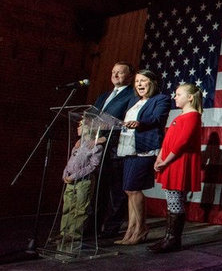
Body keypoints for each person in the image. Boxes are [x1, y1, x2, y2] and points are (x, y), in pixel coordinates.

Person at [115, 70, 171, 245]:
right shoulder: (133, 101)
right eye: (137, 81)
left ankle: (141, 228)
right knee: (128, 190)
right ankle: (131, 230)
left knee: (134, 188)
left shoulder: (161, 99)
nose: (139, 84)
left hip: (144, 148)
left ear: (152, 82)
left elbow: (157, 118)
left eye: (143, 81)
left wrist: (140, 124)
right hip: (127, 147)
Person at [151, 83, 203, 253]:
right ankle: (168, 237)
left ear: (190, 97)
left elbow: (182, 142)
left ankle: (173, 239)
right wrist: (160, 157)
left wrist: (166, 161)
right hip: (170, 161)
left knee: (175, 201)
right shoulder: (181, 116)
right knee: (172, 200)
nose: (175, 97)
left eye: (178, 94)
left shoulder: (193, 116)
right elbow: (168, 140)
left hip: (178, 162)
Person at [93, 62, 135, 238]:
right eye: (113, 72)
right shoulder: (104, 96)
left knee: (116, 192)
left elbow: (127, 123)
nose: (115, 75)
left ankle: (111, 228)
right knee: (98, 190)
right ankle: (92, 227)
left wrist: (107, 138)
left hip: (116, 150)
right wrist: (83, 137)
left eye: (120, 72)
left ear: (129, 76)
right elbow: (92, 118)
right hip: (96, 148)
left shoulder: (132, 95)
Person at [56, 117, 105, 250]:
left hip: (84, 181)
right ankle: (64, 232)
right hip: (71, 180)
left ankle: (74, 234)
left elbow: (93, 166)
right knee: (68, 206)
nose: (78, 128)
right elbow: (70, 161)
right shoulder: (78, 144)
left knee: (80, 208)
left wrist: (75, 176)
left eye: (81, 125)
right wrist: (65, 174)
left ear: (89, 128)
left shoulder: (96, 146)